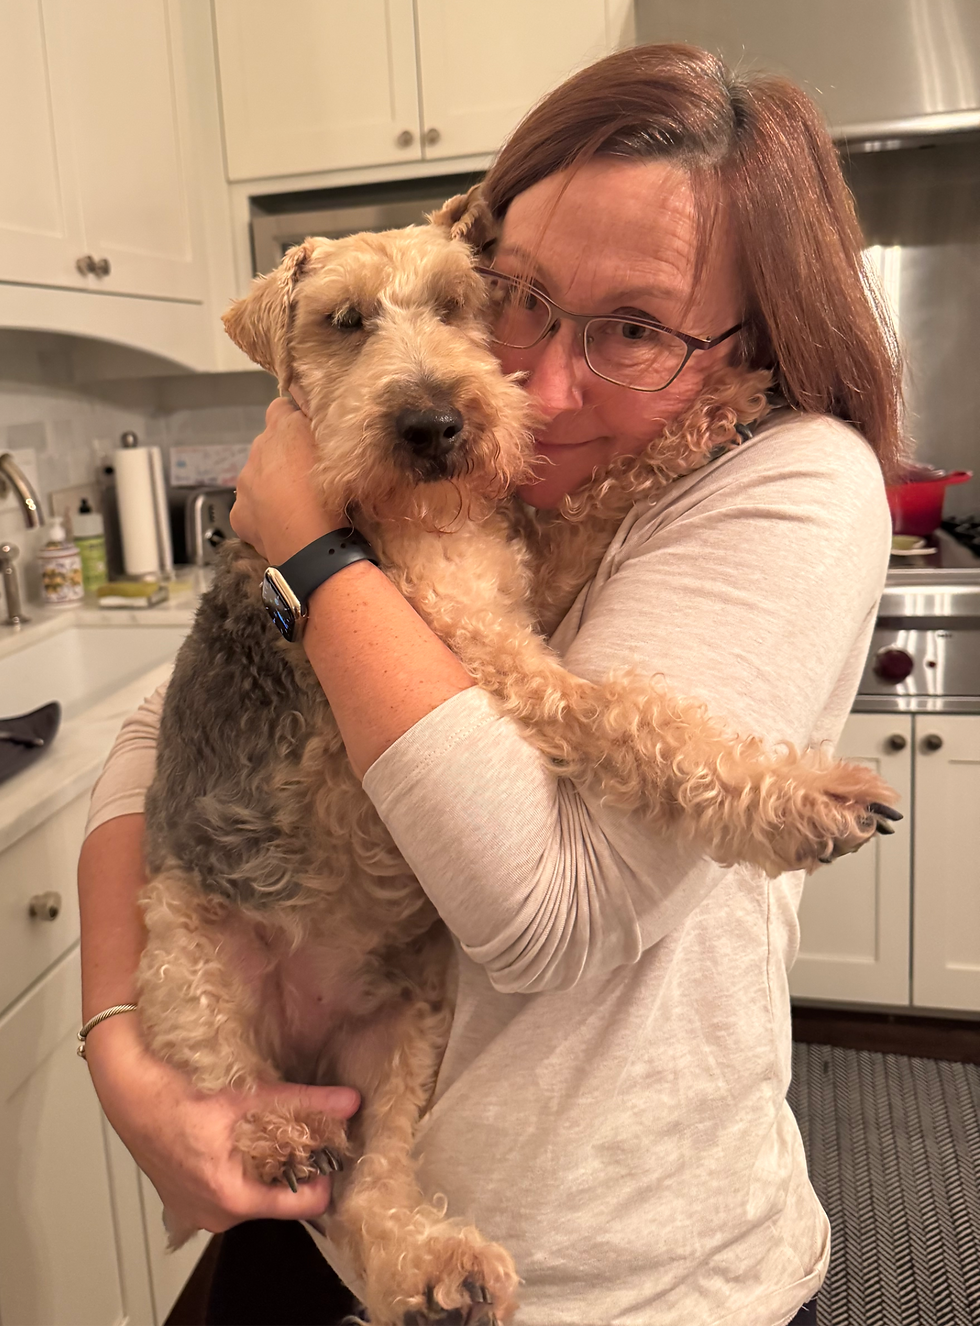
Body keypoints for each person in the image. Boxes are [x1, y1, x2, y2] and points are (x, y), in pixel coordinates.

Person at [78, 43, 902, 1326]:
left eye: (635, 329)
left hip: (619, 1274)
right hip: (328, 1222)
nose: (534, 381)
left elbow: (548, 915)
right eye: (511, 297)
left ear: (753, 338)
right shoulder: (467, 483)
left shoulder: (792, 483)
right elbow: (158, 728)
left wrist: (310, 545)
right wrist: (115, 1037)